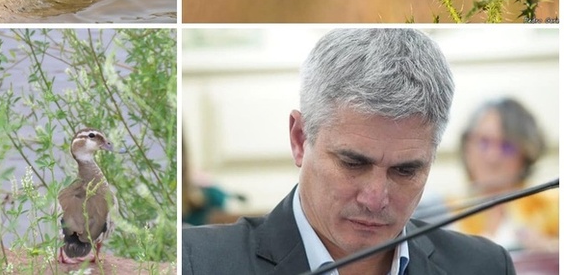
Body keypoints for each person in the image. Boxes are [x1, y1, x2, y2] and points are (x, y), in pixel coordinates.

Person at [182, 29, 516, 275]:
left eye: (405, 171)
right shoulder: (194, 261)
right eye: (353, 163)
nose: (375, 198)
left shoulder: (485, 267)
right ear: (300, 139)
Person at [454, 98, 558, 251]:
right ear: (467, 148)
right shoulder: (446, 211)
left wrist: (551, 250)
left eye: (506, 146)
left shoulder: (552, 208)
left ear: (526, 154)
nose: (493, 157)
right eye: (484, 142)